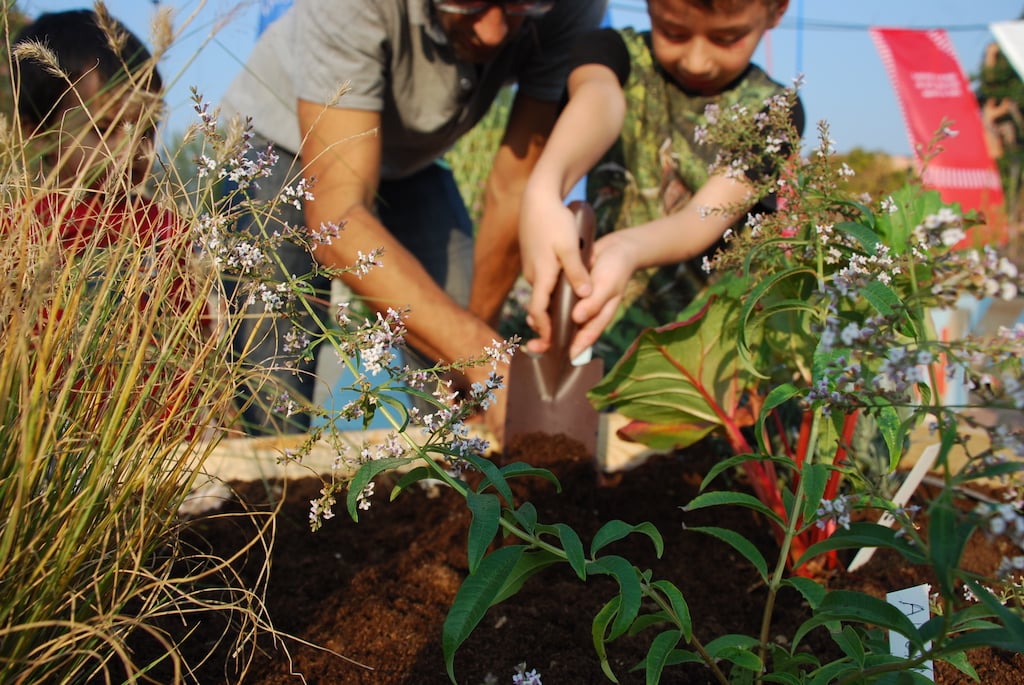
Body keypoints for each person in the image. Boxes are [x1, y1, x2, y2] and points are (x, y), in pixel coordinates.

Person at [218, 0, 608, 437]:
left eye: (521, 3)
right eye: (470, 2)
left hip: (408, 162)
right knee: (272, 371)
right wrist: (483, 360)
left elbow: (514, 188)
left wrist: (476, 360)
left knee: (456, 318)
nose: (495, 32)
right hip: (283, 148)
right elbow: (337, 223)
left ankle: (449, 476)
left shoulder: (573, 6)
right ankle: (273, 492)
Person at [519, 0, 804, 367]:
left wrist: (626, 248)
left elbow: (701, 217)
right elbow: (599, 100)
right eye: (673, 32)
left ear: (777, 11)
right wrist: (543, 188)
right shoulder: (609, 53)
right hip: (604, 322)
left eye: (727, 38)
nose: (696, 60)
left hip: (717, 346)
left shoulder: (776, 111)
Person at [12, 9, 208, 435]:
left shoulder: (164, 229)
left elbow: (198, 342)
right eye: (102, 128)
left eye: (147, 128)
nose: (131, 149)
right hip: (46, 443)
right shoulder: (17, 235)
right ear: (36, 134)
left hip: (161, 441)